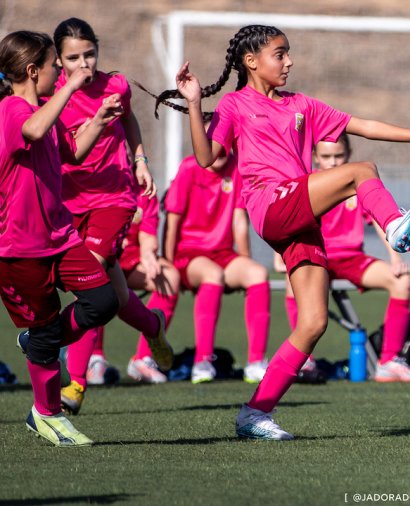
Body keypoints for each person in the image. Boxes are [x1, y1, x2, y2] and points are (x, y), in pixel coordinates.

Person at [149, 24, 410, 440]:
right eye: (279, 54)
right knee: (362, 171)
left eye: (289, 53)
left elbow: (365, 125)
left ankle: (254, 413)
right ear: (251, 61)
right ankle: (394, 225)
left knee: (315, 322)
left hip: (299, 217)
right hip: (271, 205)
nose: (289, 61)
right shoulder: (234, 105)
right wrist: (194, 104)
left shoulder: (302, 104)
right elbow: (207, 156)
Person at [0, 30, 122, 446]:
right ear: (34, 71)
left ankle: (38, 338)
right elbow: (32, 130)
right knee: (48, 331)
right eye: (56, 65)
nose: (63, 70)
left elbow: (73, 151)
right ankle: (47, 414)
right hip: (18, 247)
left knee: (104, 300)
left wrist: (100, 123)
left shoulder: (44, 113)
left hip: (60, 236)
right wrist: (70, 88)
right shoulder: (12, 110)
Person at [52, 18, 172, 415]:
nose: (84, 63)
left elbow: (129, 120)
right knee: (115, 297)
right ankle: (154, 327)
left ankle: (76, 382)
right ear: (59, 60)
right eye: (73, 57)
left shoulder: (115, 85)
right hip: (68, 203)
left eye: (90, 54)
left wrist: (139, 159)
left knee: (91, 277)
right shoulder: (50, 96)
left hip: (113, 198)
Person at [283, 135, 410, 383]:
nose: (333, 162)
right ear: (315, 157)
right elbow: (288, 223)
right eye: (326, 157)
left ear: (348, 154)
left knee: (402, 281)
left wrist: (395, 257)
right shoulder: (308, 185)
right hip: (317, 258)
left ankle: (389, 362)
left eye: (339, 156)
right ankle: (304, 361)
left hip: (352, 259)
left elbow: (382, 223)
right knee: (292, 283)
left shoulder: (357, 184)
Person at [164, 143, 271, 385]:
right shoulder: (189, 167)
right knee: (213, 274)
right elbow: (173, 219)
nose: (219, 149)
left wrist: (244, 260)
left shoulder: (237, 168)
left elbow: (239, 221)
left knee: (257, 274)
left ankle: (256, 363)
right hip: (189, 254)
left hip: (222, 254)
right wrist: (168, 263)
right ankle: (202, 362)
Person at [118, 186, 181, 384]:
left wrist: (148, 253)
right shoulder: (95, 177)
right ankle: (93, 359)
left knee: (169, 278)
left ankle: (144, 359)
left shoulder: (145, 188)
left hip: (131, 260)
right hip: (99, 256)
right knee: (95, 282)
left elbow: (147, 233)